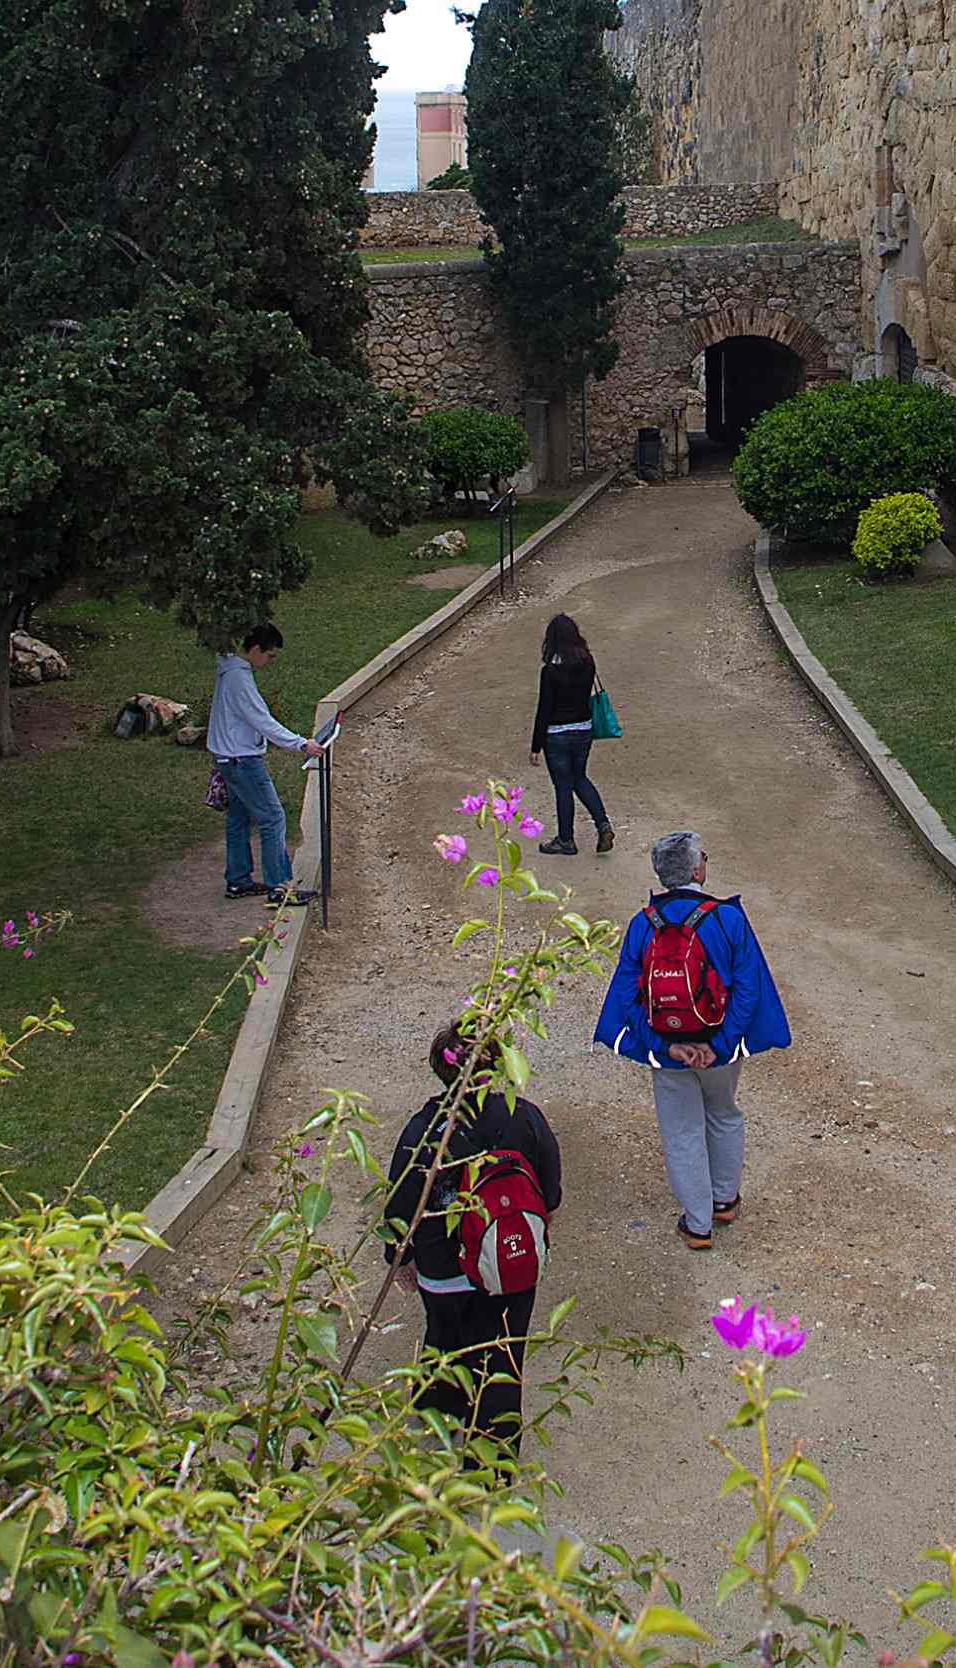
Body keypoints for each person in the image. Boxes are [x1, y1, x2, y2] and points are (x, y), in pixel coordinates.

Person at [592, 830, 789, 1249]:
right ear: (697, 868)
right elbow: (748, 989)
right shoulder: (729, 919)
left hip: (669, 1049)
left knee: (681, 1131)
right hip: (720, 1045)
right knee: (724, 1113)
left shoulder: (642, 925)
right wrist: (719, 1046)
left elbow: (629, 997)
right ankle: (724, 1199)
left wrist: (665, 1047)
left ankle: (698, 1223)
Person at [381, 1017, 564, 1445]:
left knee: (444, 1336)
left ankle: (437, 1411)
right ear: (497, 1068)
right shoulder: (526, 1118)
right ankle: (490, 1458)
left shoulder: (424, 1131)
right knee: (502, 1354)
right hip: (507, 1261)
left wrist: (399, 1259)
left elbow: (401, 1201)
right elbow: (550, 1189)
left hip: (442, 1270)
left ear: (439, 1070)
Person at [209, 622, 330, 901]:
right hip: (243, 760)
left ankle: (238, 880)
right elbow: (262, 720)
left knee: (239, 818)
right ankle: (280, 887)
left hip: (228, 757)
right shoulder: (239, 679)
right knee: (272, 818)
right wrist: (301, 743)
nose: (270, 661)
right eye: (269, 655)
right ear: (255, 649)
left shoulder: (230, 670)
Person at [528, 612, 613, 856]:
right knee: (580, 778)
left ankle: (566, 840)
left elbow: (544, 709)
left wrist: (535, 746)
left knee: (563, 787)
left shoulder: (550, 672)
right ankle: (602, 823)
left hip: (556, 735)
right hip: (583, 729)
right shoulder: (588, 664)